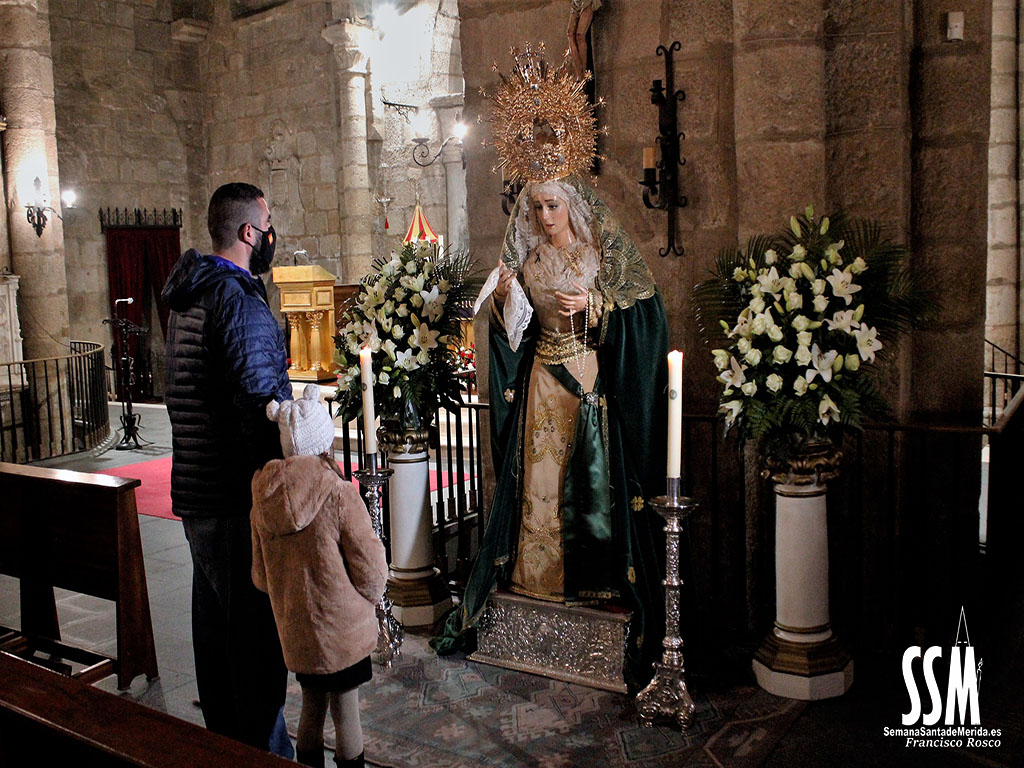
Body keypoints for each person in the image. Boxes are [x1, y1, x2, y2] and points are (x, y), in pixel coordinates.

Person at [435, 174, 670, 689]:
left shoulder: (598, 258)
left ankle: (592, 579)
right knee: (539, 486)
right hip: (542, 382)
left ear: (572, 208)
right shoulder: (529, 264)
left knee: (589, 480)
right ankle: (537, 578)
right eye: (538, 207)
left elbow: (641, 313)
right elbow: (514, 330)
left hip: (585, 380)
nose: (545, 217)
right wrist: (503, 299)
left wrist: (594, 307)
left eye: (553, 206)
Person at [161, 182, 294, 756]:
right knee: (255, 642)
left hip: (198, 489)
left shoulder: (189, 294)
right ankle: (265, 755)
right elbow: (262, 406)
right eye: (267, 225)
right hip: (237, 495)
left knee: (215, 636)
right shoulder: (237, 300)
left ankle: (221, 749)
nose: (270, 236)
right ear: (247, 232)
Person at [252, 384, 388, 768]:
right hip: (342, 629)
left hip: (297, 631)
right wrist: (370, 599)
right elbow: (370, 568)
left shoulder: (263, 498)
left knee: (311, 706)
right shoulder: (338, 493)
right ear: (325, 442)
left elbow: (260, 577)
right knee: (346, 711)